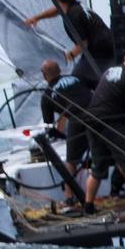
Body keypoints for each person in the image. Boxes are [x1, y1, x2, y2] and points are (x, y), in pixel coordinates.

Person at [82, 47, 125, 216]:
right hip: (110, 122)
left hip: (91, 121)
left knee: (99, 166)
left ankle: (88, 207)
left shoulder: (110, 71)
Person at [24, 0, 115, 88]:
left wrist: (70, 55)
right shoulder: (75, 6)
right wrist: (37, 17)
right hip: (107, 47)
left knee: (76, 79)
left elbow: (82, 44)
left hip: (102, 54)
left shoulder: (73, 16)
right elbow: (57, 10)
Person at [39, 59, 93, 207]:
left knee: (71, 161)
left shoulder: (47, 95)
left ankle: (69, 198)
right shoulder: (77, 78)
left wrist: (67, 138)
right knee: (102, 156)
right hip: (98, 114)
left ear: (44, 75)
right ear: (60, 71)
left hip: (77, 119)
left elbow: (50, 130)